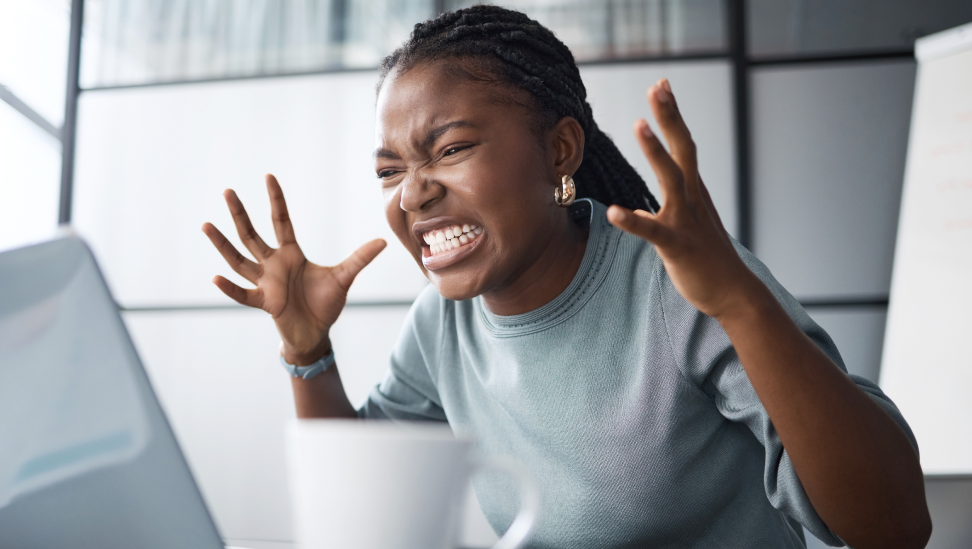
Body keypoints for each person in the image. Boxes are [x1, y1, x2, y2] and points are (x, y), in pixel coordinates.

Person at [202, 6, 930, 549]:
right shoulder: (443, 322)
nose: (413, 193)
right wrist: (306, 350)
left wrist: (740, 302)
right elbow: (365, 506)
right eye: (391, 170)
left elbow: (892, 528)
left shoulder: (680, 286)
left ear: (560, 151)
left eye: (449, 149)